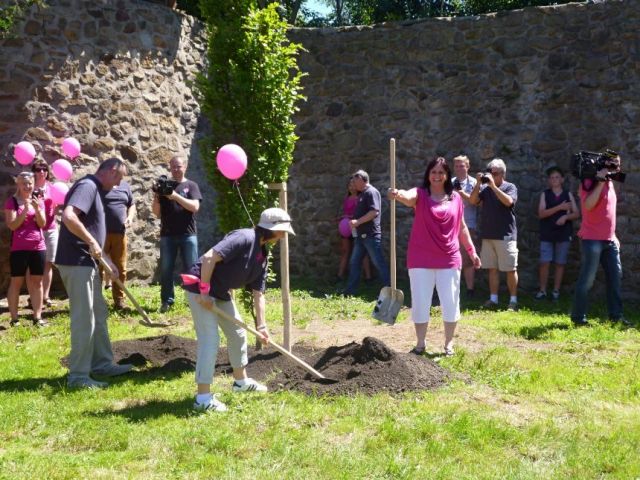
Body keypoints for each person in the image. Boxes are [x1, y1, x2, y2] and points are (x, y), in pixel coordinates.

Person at [182, 207, 295, 412]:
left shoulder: (262, 254)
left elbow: (258, 293)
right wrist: (205, 292)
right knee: (210, 340)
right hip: (200, 288)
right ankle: (203, 398)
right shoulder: (243, 237)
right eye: (283, 231)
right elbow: (209, 258)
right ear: (274, 229)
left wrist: (262, 325)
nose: (284, 235)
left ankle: (240, 383)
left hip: (220, 291)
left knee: (238, 333)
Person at [389, 157, 480, 356]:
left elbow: (462, 227)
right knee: (421, 302)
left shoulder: (456, 197)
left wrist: (472, 252)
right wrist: (397, 194)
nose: (437, 176)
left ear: (447, 175)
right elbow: (408, 196)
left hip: (449, 259)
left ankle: (448, 344)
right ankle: (420, 344)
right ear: (428, 175)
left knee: (450, 302)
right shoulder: (420, 194)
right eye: (433, 172)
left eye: (441, 172)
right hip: (421, 259)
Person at [55, 158, 133, 389]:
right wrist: (91, 242)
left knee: (98, 312)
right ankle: (78, 377)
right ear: (110, 171)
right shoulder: (88, 186)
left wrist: (108, 261)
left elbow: (93, 231)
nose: (118, 184)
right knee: (84, 319)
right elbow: (69, 216)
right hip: (76, 261)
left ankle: (102, 363)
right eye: (119, 177)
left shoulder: (96, 189)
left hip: (88, 262)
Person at [570, 154, 630, 327]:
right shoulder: (588, 183)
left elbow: (608, 213)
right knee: (587, 280)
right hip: (592, 240)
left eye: (619, 163)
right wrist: (601, 182)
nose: (617, 166)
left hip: (610, 240)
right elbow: (588, 205)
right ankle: (578, 318)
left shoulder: (611, 183)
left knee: (615, 278)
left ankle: (616, 317)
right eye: (614, 163)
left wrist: (614, 235)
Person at [152, 156, 202, 313]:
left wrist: (175, 196)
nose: (175, 169)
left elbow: (195, 207)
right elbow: (156, 213)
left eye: (178, 166)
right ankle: (167, 301)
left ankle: (195, 299)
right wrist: (156, 197)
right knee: (166, 269)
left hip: (188, 235)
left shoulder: (191, 185)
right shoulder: (165, 186)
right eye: (173, 167)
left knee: (192, 269)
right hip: (168, 235)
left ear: (185, 166)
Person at [469, 158, 519, 311]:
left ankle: (513, 301)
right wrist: (478, 183)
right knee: (492, 268)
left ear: (502, 174)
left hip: (505, 235)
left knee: (510, 269)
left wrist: (493, 186)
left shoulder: (510, 187)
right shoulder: (485, 189)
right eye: (489, 172)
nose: (491, 175)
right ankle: (493, 299)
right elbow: (472, 201)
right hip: (488, 234)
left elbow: (509, 202)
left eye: (494, 173)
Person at [4, 171, 47, 327]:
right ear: (18, 185)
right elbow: (13, 225)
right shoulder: (12, 202)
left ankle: (37, 317)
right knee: (16, 282)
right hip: (19, 248)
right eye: (24, 183)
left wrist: (36, 209)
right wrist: (25, 209)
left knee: (37, 282)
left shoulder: (38, 201)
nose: (27, 186)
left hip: (38, 247)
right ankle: (14, 319)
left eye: (30, 183)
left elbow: (42, 224)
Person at [536, 166, 579, 301]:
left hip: (563, 233)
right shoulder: (545, 194)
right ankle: (542, 291)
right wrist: (559, 208)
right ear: (549, 180)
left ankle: (556, 291)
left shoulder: (568, 195)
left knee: (560, 263)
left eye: (557, 177)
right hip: (547, 233)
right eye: (552, 177)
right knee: (544, 262)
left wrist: (565, 217)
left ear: (562, 179)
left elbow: (577, 214)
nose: (554, 179)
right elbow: (541, 213)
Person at [343, 170, 390, 295]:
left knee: (378, 262)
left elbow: (374, 212)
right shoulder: (362, 193)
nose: (353, 183)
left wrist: (357, 222)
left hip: (370, 235)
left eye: (355, 180)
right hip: (361, 236)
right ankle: (350, 291)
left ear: (362, 179)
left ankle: (390, 289)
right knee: (355, 262)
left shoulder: (371, 192)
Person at [102, 180, 136, 310]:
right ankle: (95, 300)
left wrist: (130, 217)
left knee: (120, 267)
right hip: (101, 234)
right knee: (98, 268)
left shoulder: (125, 185)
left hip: (119, 233)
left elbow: (131, 204)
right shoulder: (101, 184)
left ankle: (119, 300)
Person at [452, 155, 479, 298]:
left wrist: (462, 194)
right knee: (451, 258)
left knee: (468, 259)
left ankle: (470, 290)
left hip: (469, 225)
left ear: (468, 166)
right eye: (456, 166)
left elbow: (477, 202)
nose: (459, 168)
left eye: (461, 166)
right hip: (451, 227)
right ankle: (453, 288)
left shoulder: (475, 183)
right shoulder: (448, 183)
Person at [32, 160, 58, 308]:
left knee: (48, 263)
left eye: (44, 169)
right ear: (34, 172)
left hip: (52, 229)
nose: (42, 172)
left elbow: (57, 206)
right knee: (36, 264)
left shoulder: (52, 188)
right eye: (38, 169)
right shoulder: (30, 188)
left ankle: (46, 296)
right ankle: (36, 295)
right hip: (36, 230)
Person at [337, 177, 371, 282]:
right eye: (350, 185)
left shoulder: (361, 198)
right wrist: (343, 217)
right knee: (345, 251)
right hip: (346, 229)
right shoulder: (346, 199)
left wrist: (352, 218)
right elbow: (346, 212)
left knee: (362, 252)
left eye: (353, 184)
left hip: (357, 228)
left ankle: (368, 277)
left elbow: (361, 213)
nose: (351, 186)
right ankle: (340, 275)